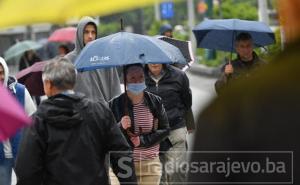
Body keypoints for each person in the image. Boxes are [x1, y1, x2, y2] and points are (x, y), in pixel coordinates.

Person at [189, 0, 300, 184]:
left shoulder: (266, 68)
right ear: (236, 48)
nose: (246, 50)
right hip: (245, 127)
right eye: (242, 47)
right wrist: (226, 76)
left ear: (252, 46)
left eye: (248, 46)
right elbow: (220, 91)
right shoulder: (230, 67)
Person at [15, 58, 137, 185]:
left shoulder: (36, 122)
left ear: (47, 84)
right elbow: (121, 153)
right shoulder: (99, 112)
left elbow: (26, 169)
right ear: (73, 82)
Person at [109, 64, 170, 185]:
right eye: (132, 78)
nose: (137, 81)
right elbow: (106, 135)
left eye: (141, 77)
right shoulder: (114, 104)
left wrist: (141, 141)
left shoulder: (155, 101)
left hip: (150, 165)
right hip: (122, 165)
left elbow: (165, 130)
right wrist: (120, 126)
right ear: (125, 80)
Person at [144, 64, 192, 185]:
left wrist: (179, 117)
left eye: (157, 59)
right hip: (151, 133)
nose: (154, 62)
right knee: (157, 174)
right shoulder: (138, 76)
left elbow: (187, 101)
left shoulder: (179, 76)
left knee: (176, 170)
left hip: (175, 128)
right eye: (151, 59)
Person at [65, 16, 121, 102]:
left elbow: (115, 91)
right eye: (86, 32)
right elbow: (65, 92)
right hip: (80, 113)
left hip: (105, 112)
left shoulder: (105, 58)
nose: (90, 36)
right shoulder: (68, 61)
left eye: (93, 32)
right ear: (80, 33)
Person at [0, 57, 36, 185]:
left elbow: (33, 121)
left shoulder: (20, 91)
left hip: (21, 154)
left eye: (2, 72)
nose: (1, 77)